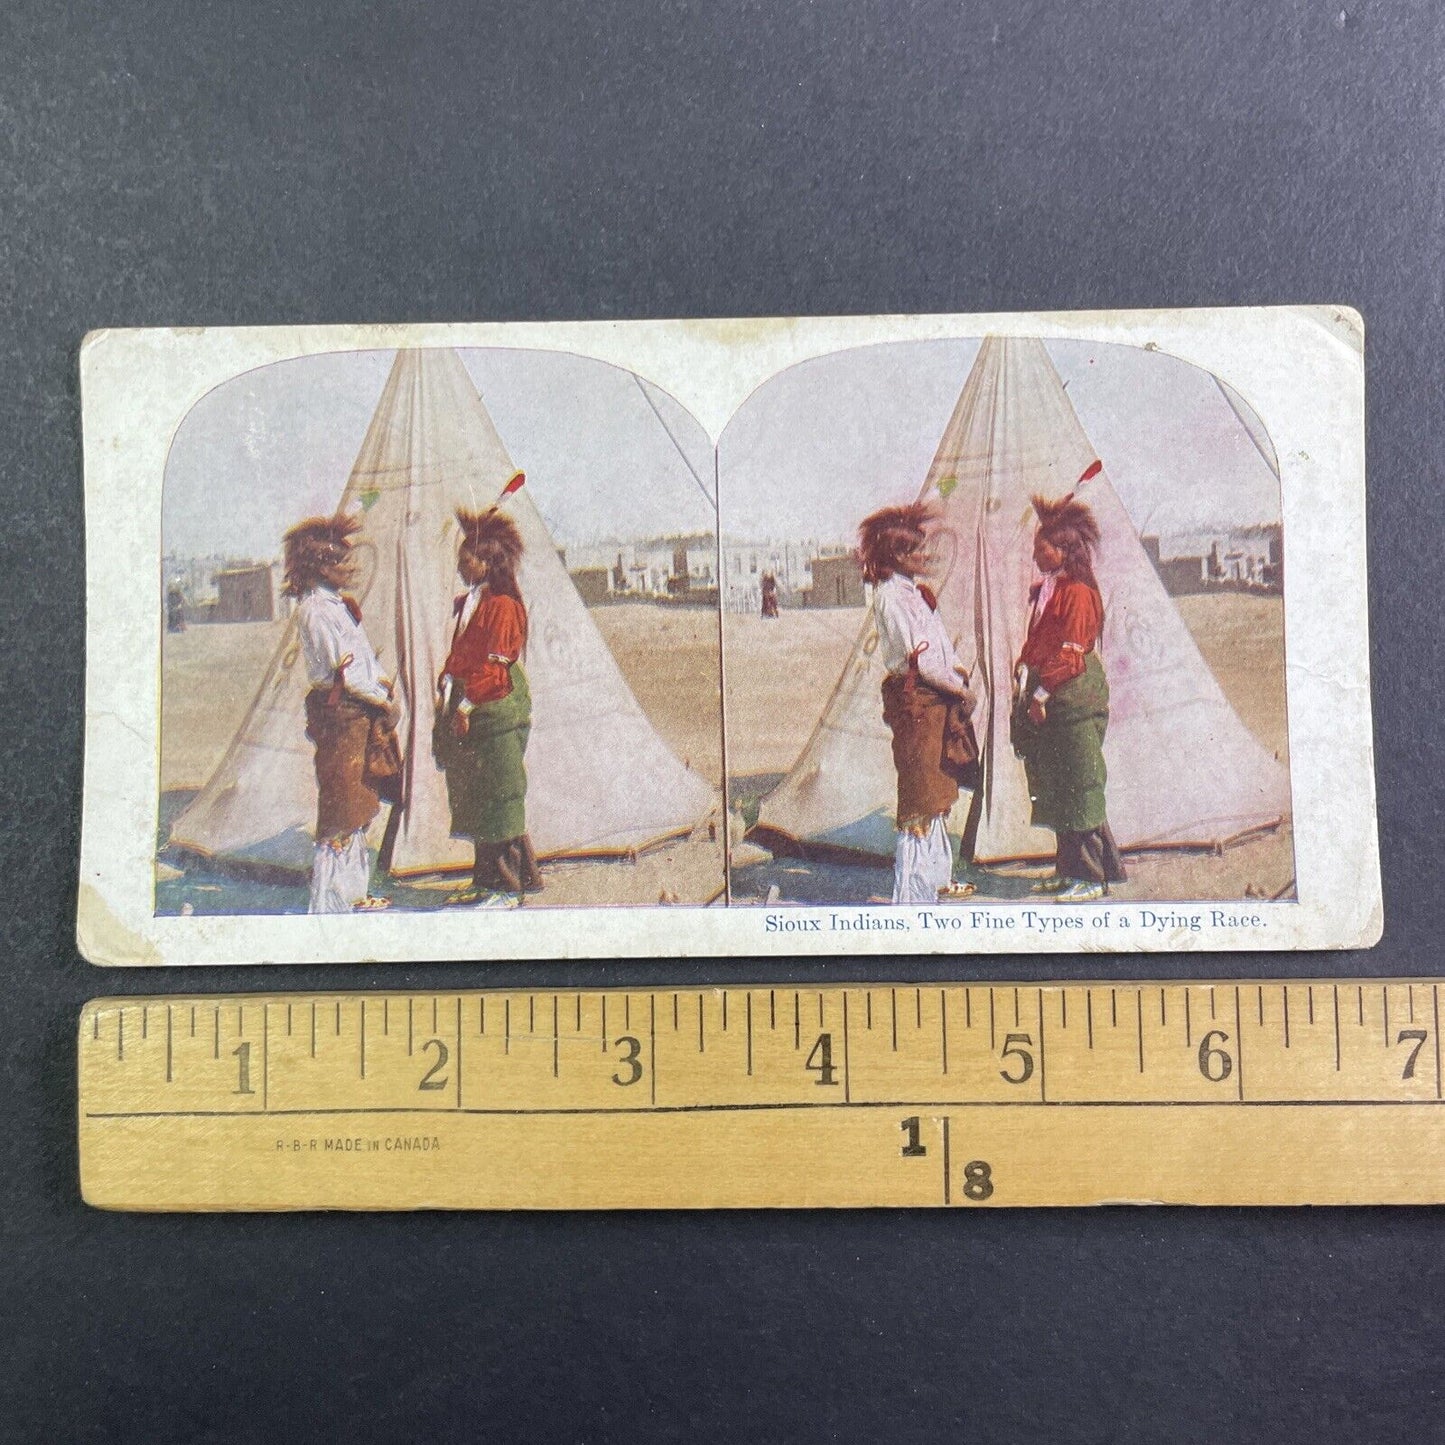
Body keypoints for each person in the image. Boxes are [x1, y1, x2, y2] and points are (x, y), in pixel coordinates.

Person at [859, 502, 978, 905]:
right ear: (896, 556)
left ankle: (937, 880)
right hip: (917, 701)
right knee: (919, 798)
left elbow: (939, 646)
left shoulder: (915, 594)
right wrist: (957, 688)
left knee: (937, 794)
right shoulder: (890, 598)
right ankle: (911, 896)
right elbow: (920, 659)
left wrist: (957, 670)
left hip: (936, 698)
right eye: (914, 551)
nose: (923, 557)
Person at [1011, 492, 1127, 902]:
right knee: (1058, 785)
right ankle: (1068, 870)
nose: (1035, 557)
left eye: (1040, 549)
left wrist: (1040, 694)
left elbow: (1072, 656)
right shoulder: (1053, 590)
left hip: (1073, 695)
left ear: (1062, 550)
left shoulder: (1078, 593)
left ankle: (1093, 877)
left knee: (1080, 783)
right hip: (1053, 693)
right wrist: (1026, 671)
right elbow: (1042, 643)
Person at [284, 513, 400, 914]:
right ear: (319, 566)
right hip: (343, 714)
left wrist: (381, 682)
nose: (349, 568)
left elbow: (362, 660)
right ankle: (331, 903)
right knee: (341, 809)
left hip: (359, 711)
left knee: (358, 806)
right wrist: (381, 698)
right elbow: (346, 674)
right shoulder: (316, 610)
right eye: (340, 562)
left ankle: (352, 894)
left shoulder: (336, 607)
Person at [436, 509, 543, 906]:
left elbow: (495, 667)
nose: (462, 570)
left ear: (486, 562)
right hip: (475, 701)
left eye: (467, 563)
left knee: (500, 794)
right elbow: (463, 652)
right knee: (479, 795)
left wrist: (464, 704)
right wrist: (448, 679)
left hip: (496, 704)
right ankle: (490, 882)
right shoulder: (476, 602)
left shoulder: (502, 605)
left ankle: (507, 888)